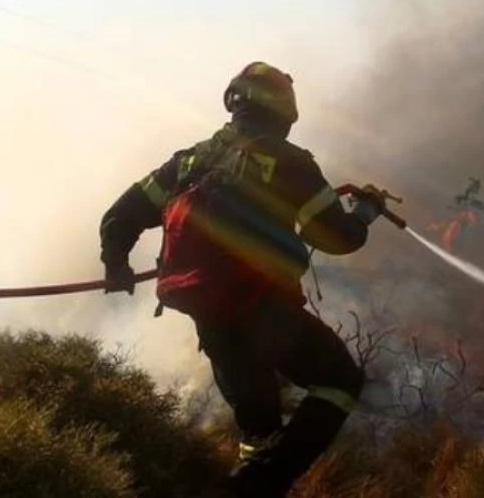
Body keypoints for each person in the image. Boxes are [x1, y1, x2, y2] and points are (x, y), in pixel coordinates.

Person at [98, 62, 384, 497]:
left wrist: (115, 265)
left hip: (209, 314)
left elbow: (119, 217)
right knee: (339, 381)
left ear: (234, 103)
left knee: (259, 432)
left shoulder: (189, 160)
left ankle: (254, 479)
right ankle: (252, 487)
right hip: (263, 309)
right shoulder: (290, 163)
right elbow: (338, 239)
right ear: (286, 113)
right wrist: (365, 214)